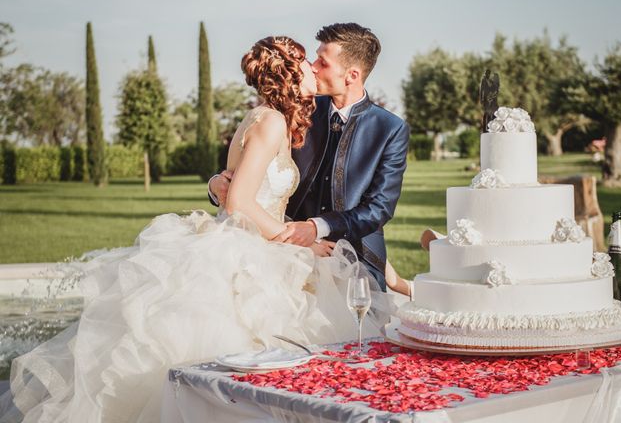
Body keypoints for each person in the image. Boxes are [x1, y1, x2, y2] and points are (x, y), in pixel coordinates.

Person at [0, 36, 390, 423]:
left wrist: (224, 187)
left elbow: (239, 186)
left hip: (256, 238)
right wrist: (296, 243)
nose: (312, 69)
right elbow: (239, 201)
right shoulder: (271, 121)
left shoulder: (275, 117)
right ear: (289, 74)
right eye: (306, 63)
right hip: (251, 249)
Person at [210, 23, 412, 296]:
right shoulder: (296, 114)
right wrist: (215, 184)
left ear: (352, 75)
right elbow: (246, 181)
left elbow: (378, 209)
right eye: (314, 58)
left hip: (357, 257)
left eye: (322, 62)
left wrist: (316, 228)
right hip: (286, 253)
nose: (313, 67)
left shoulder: (390, 129)